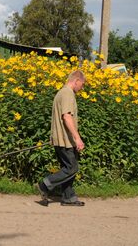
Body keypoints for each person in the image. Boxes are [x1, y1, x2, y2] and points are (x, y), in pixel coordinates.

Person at [36, 69, 86, 206]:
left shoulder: (61, 92)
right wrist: (77, 138)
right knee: (72, 168)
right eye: (82, 84)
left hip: (60, 139)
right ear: (76, 81)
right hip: (65, 140)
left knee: (67, 167)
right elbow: (67, 116)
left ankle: (68, 197)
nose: (82, 88)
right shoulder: (67, 94)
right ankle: (45, 185)